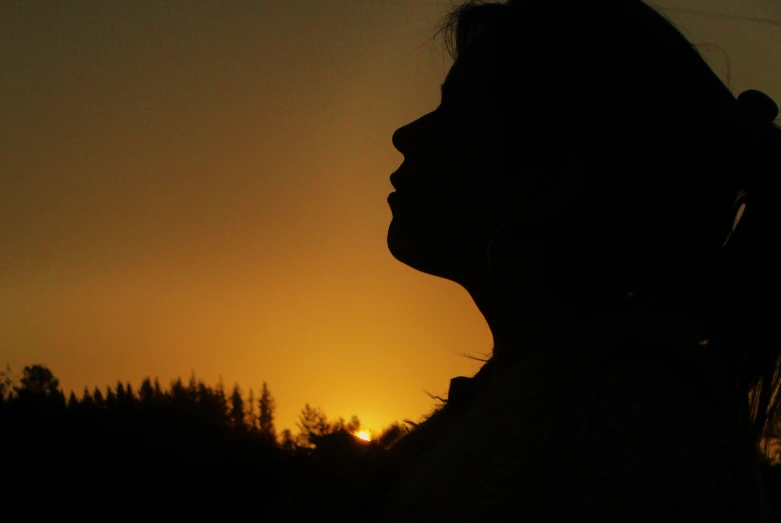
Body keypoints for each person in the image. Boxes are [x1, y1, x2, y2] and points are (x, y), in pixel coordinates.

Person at [284, 1, 780, 520]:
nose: (405, 135)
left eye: (456, 113)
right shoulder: (546, 398)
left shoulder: (631, 419)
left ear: (553, 182)